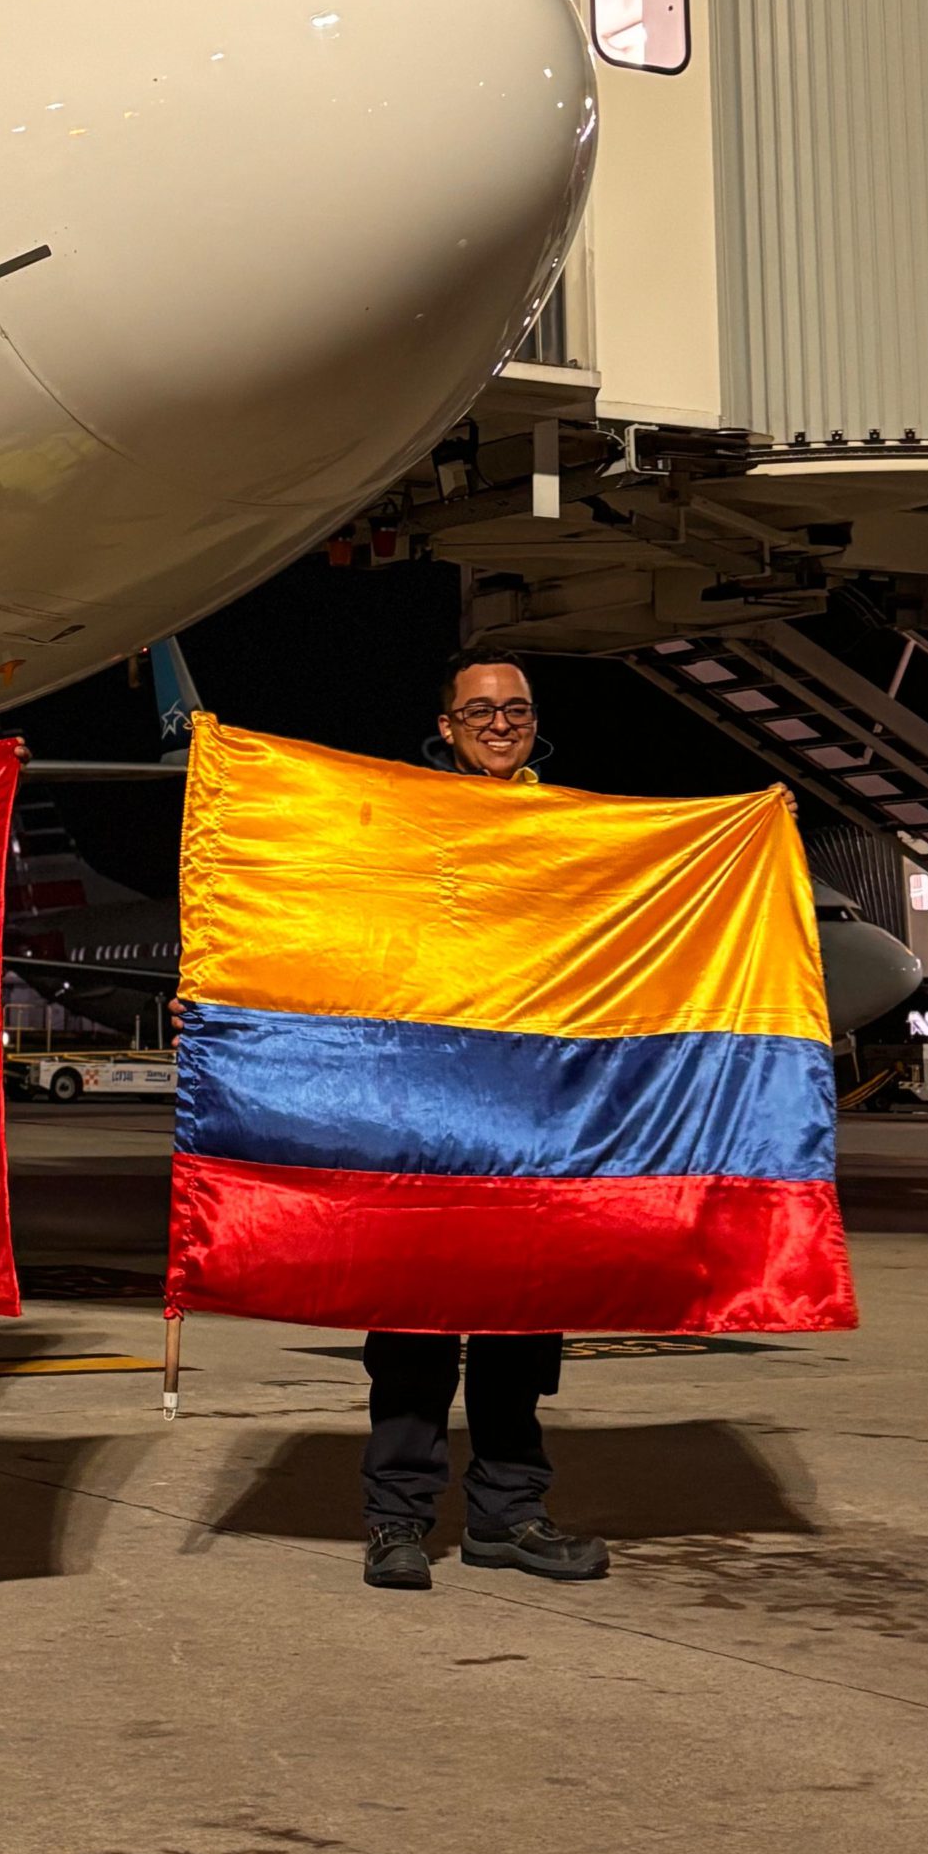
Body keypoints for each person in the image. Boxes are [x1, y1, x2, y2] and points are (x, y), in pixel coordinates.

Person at [360, 651, 609, 1592]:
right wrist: (223, 1002)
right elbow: (338, 931)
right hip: (423, 1113)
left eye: (516, 709)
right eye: (480, 710)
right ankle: (396, 1521)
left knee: (520, 1332)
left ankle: (510, 1515)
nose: (500, 723)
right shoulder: (406, 823)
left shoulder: (571, 828)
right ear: (447, 724)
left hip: (533, 1118)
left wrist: (745, 838)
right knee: (415, 1333)